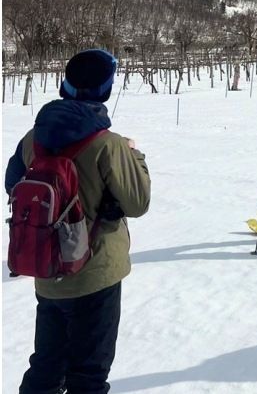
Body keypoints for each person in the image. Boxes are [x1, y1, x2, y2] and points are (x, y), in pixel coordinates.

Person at [5, 49, 151, 394]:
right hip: (95, 274)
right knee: (88, 374)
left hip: (46, 268)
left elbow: (14, 184)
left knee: (46, 365)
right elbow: (138, 202)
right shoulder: (108, 145)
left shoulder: (35, 138)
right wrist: (135, 155)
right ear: (105, 89)